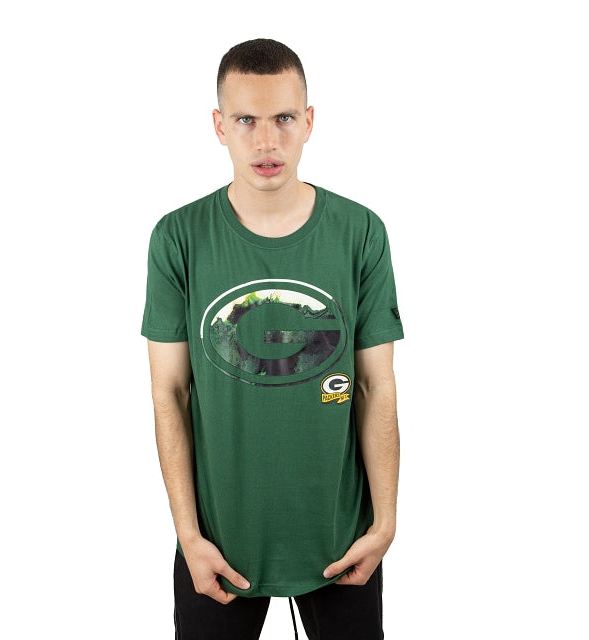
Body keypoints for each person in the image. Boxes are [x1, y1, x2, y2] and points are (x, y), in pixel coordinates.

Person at [142, 38, 404, 640]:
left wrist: (385, 523)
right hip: (218, 548)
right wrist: (188, 536)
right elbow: (168, 393)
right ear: (219, 126)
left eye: (284, 118)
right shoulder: (178, 238)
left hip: (343, 542)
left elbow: (376, 385)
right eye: (246, 120)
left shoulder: (361, 232)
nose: (266, 141)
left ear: (309, 122)